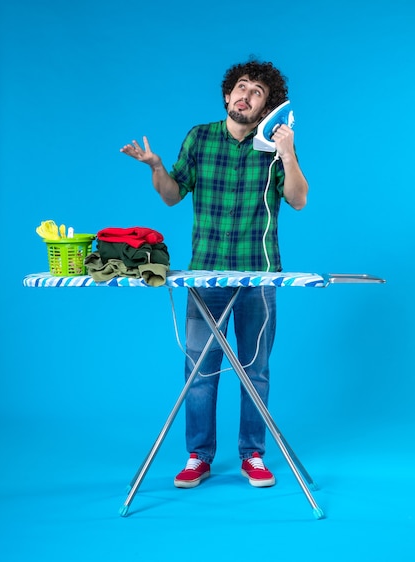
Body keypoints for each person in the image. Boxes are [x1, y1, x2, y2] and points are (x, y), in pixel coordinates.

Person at [121, 59, 308, 489]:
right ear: (228, 95)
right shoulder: (199, 138)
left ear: (267, 107)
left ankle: (253, 455)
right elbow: (171, 196)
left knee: (255, 369)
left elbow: (298, 200)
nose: (245, 95)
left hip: (259, 279)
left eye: (257, 92)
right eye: (241, 87)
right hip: (205, 280)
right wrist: (155, 167)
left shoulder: (273, 148)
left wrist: (289, 151)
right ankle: (198, 456)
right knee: (199, 370)